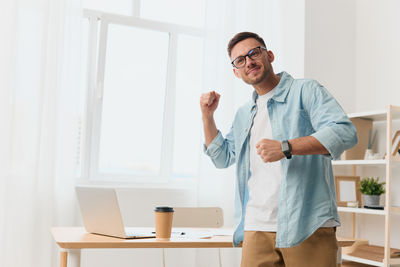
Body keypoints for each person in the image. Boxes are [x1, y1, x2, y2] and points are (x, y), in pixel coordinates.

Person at [200, 32, 357, 267]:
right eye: (240, 60)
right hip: (256, 227)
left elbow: (345, 132)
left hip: (307, 223)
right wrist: (207, 117)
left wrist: (286, 147)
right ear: (236, 71)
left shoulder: (306, 91)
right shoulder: (244, 113)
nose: (249, 62)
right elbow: (222, 157)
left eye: (254, 53)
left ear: (269, 55)